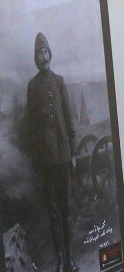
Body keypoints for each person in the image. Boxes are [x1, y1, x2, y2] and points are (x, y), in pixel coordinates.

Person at [25, 32, 79, 272]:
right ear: (35, 58)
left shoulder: (59, 81)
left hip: (64, 156)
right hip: (46, 161)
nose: (43, 57)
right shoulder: (32, 86)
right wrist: (37, 158)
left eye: (46, 52)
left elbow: (69, 118)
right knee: (54, 212)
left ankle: (71, 258)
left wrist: (74, 152)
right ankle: (59, 260)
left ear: (50, 55)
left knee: (66, 209)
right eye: (39, 53)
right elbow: (32, 128)